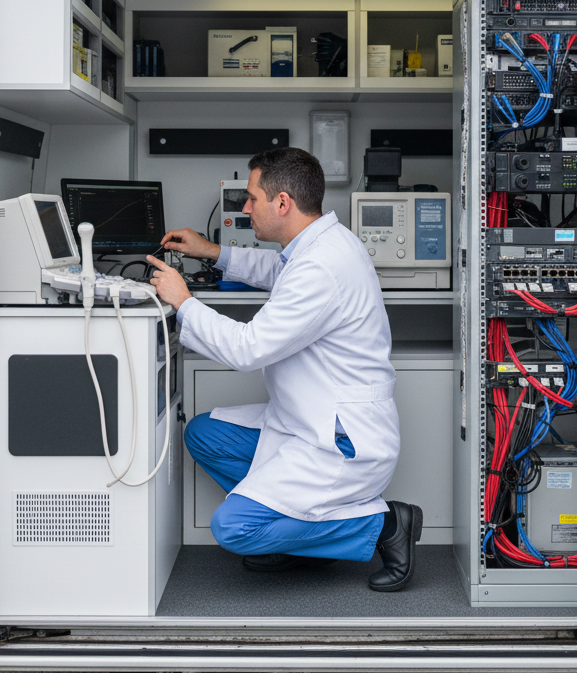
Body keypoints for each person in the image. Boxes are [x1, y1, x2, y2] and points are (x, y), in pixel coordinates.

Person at [146, 146, 423, 592]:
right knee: (203, 435)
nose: (245, 207)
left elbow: (246, 348)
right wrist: (212, 251)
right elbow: (277, 271)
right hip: (306, 419)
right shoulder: (319, 245)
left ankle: (386, 524)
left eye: (252, 198)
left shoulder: (322, 265)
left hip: (341, 439)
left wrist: (184, 301)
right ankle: (298, 535)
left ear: (282, 203)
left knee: (233, 529)